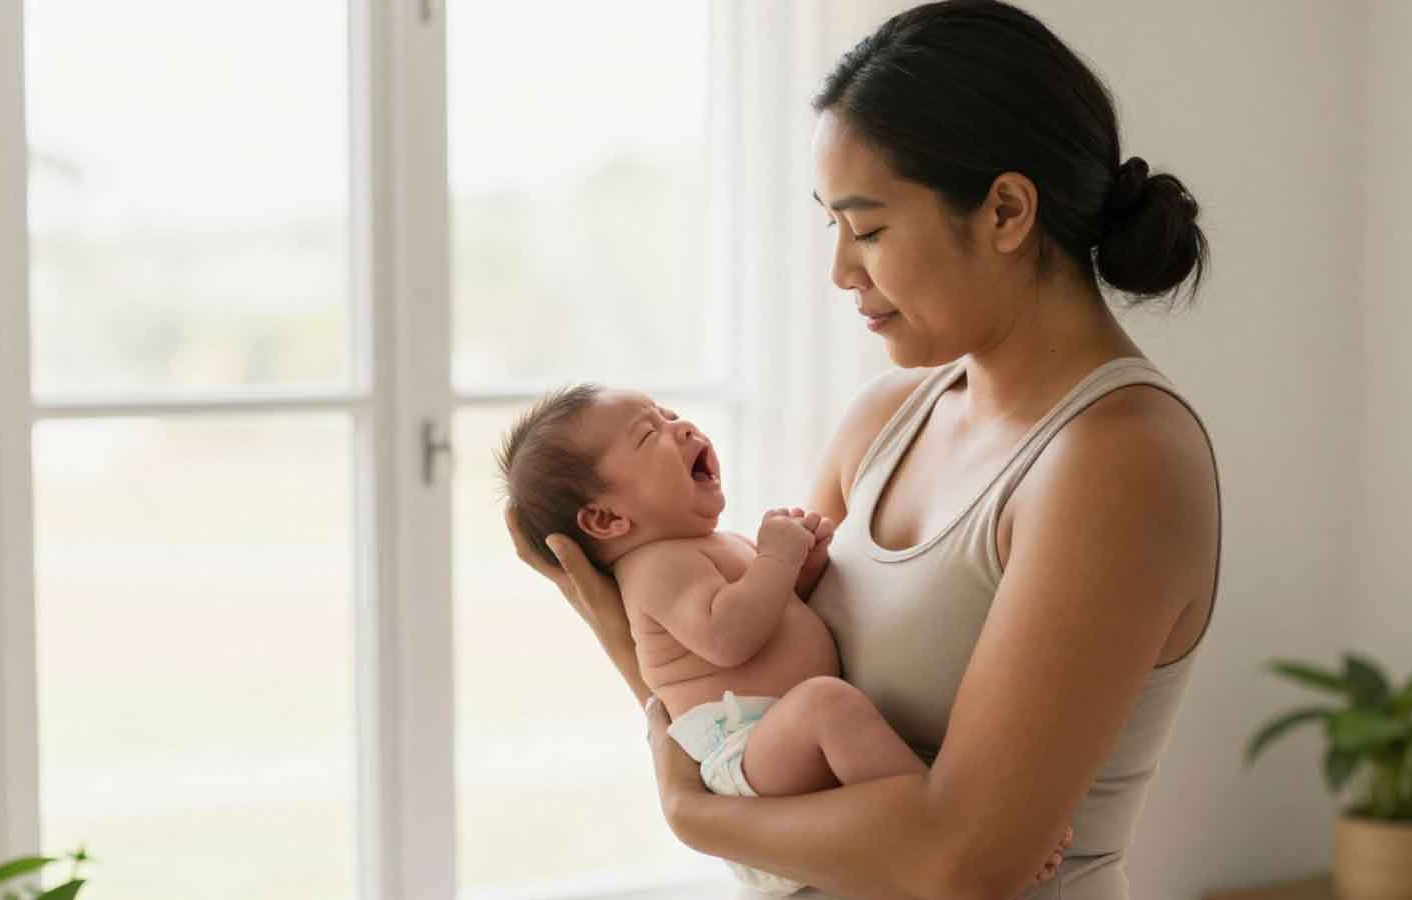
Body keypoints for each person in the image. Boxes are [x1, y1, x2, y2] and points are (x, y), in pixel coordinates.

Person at [507, 1, 1221, 896]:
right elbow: (750, 736)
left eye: (870, 228)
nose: (842, 270)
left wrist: (691, 815)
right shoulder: (884, 419)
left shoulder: (1119, 460)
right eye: (832, 227)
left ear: (1005, 210)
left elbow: (960, 863)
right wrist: (634, 645)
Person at [496, 385, 1074, 894]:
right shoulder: (655, 568)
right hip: (745, 754)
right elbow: (726, 638)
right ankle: (964, 833)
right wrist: (776, 555)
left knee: (829, 708)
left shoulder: (712, 545)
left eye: (669, 414)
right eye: (650, 436)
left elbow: (773, 617)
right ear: (605, 521)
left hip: (775, 746)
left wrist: (800, 571)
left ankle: (946, 833)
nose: (683, 428)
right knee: (828, 704)